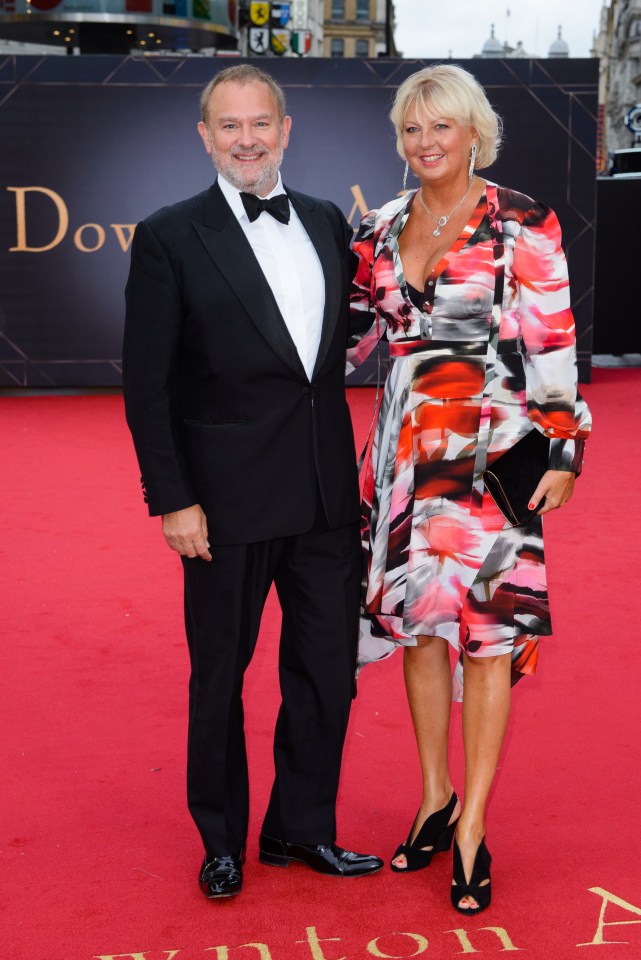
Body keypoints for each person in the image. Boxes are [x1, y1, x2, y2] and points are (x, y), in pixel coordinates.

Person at [123, 64, 383, 901]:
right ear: (205, 137)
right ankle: (222, 840)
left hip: (321, 499)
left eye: (260, 123)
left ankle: (300, 827)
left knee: (323, 673)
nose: (246, 139)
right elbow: (147, 385)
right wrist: (172, 499)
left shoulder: (322, 222)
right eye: (228, 126)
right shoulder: (169, 235)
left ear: (285, 129)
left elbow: (341, 349)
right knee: (220, 678)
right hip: (222, 504)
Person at [347, 64, 591, 914]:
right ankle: (431, 796)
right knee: (422, 635)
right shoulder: (376, 227)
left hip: (490, 455)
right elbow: (345, 342)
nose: (426, 144)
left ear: (473, 132)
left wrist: (563, 452)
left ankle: (473, 828)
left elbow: (554, 340)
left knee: (486, 640)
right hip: (406, 459)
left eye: (440, 128)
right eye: (412, 130)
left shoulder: (521, 220)